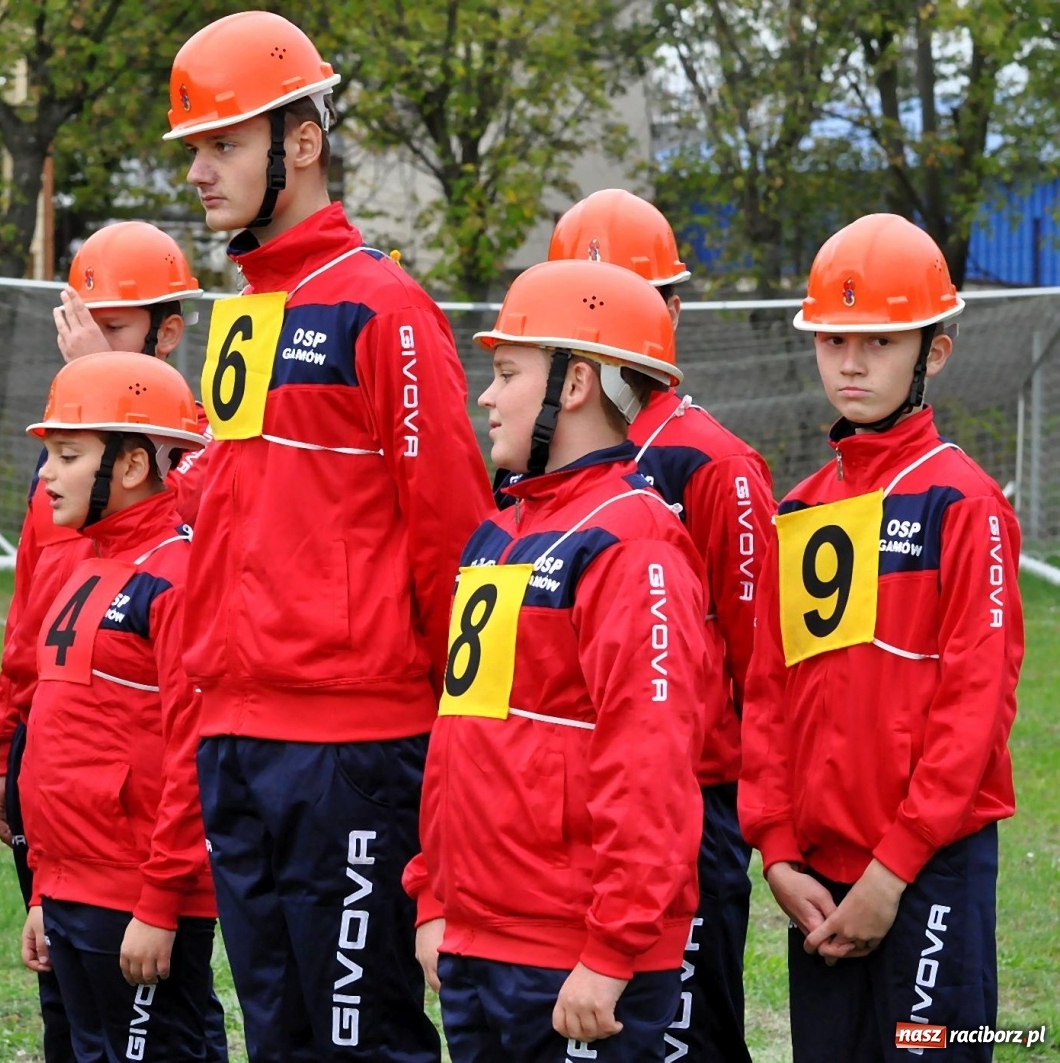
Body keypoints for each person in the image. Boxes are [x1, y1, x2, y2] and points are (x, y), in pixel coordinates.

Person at [162, 11, 493, 1060]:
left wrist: (463, 738)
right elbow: (231, 521)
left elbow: (450, 531)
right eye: (195, 151)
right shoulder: (242, 311)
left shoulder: (382, 307)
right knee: (280, 1035)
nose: (200, 174)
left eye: (223, 145)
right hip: (237, 740)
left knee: (364, 1035)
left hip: (353, 745)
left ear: (298, 142)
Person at [406, 257, 711, 1063]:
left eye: (507, 372)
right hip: (479, 945)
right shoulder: (498, 532)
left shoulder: (633, 541)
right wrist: (435, 895)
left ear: (573, 385)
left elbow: (651, 760)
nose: (486, 394)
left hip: (576, 959)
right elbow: (456, 736)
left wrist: (612, 950)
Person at [740, 213, 1023, 1063]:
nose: (852, 362)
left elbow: (976, 710)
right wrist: (779, 850)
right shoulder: (801, 508)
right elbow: (769, 692)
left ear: (933, 352)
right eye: (833, 340)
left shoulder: (964, 505)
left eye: (879, 340)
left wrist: (893, 871)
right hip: (817, 885)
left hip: (926, 870)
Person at [546, 188, 775, 1063]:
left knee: (689, 1030)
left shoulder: (713, 462)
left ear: (671, 311)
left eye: (625, 301)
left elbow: (760, 659)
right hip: (571, 801)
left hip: (690, 799)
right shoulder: (533, 464)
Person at [0, 221, 220, 1061]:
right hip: (69, 869)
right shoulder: (80, 547)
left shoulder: (183, 528)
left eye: (114, 330)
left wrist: (161, 896)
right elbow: (38, 669)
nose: (48, 472)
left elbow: (192, 747)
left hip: (139, 880)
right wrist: (42, 872)